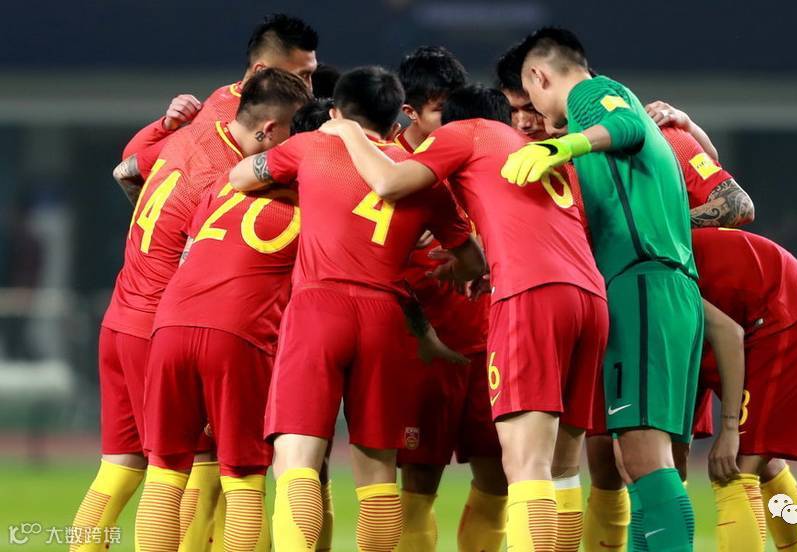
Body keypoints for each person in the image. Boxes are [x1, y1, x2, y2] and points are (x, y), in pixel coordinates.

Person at [319, 83, 608, 552]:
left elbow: (389, 183)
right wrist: (483, 263)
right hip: (587, 297)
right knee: (562, 467)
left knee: (526, 468)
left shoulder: (466, 134)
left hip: (526, 301)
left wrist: (348, 130)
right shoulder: (535, 153)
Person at [228, 66, 486, 551]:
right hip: (386, 318)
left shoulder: (309, 147)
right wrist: (455, 265)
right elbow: (473, 260)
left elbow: (240, 175)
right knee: (378, 473)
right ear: (394, 123)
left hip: (317, 310)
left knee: (298, 462)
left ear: (336, 112)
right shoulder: (423, 178)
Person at [68, 69, 309, 552]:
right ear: (270, 127)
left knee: (122, 469)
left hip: (122, 314)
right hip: (163, 322)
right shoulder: (227, 175)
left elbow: (126, 169)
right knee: (207, 473)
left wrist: (163, 126)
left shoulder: (193, 136)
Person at [502, 27, 703, 551]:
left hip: (642, 284)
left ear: (539, 76)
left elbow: (626, 124)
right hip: (665, 287)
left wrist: (562, 144)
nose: (535, 111)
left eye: (531, 95)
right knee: (643, 464)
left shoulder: (591, 93)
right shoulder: (603, 137)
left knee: (642, 459)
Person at [392, 47, 509, 552]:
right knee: (419, 484)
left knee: (499, 479)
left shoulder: (479, 157)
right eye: (442, 110)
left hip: (487, 339)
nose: (457, 121)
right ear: (410, 111)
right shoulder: (389, 167)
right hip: (422, 346)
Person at [689, 227, 797, 552]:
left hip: (788, 322)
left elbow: (727, 332)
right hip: (784, 317)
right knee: (765, 464)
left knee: (733, 471)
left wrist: (729, 427)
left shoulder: (653, 264)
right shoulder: (662, 245)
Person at [118, 14, 319, 189]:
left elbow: (130, 166)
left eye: (311, 75)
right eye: (302, 76)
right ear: (262, 72)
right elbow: (130, 167)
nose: (309, 87)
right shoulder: (241, 121)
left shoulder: (225, 94)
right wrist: (166, 126)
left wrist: (166, 127)